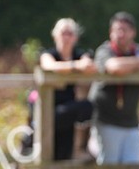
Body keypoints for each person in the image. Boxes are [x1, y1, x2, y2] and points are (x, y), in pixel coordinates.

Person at [89, 12, 139, 164]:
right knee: (109, 165)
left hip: (131, 121)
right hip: (106, 120)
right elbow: (113, 67)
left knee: (132, 165)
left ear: (133, 32)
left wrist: (132, 63)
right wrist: (138, 63)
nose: (120, 34)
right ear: (110, 32)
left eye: (124, 30)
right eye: (117, 30)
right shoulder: (104, 50)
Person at [37, 18, 96, 161]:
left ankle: (82, 148)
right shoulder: (49, 53)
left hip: (69, 111)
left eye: (70, 33)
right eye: (63, 33)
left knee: (64, 155)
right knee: (50, 154)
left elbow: (90, 66)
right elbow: (49, 66)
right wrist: (76, 66)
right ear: (55, 35)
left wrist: (80, 65)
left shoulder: (79, 54)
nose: (66, 37)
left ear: (75, 37)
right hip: (49, 110)